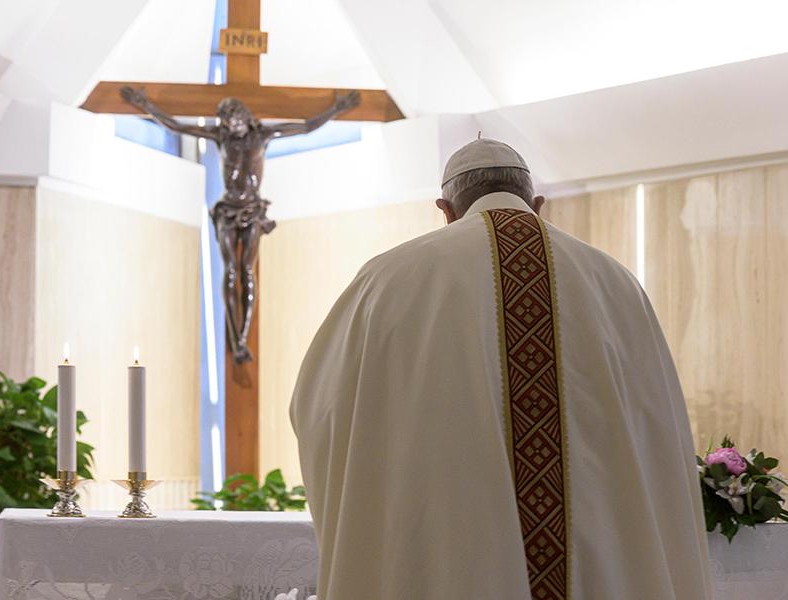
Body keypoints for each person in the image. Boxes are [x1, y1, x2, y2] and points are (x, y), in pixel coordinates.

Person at [290, 138, 712, 599]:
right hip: (598, 563)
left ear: (445, 210)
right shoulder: (613, 282)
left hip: (448, 550)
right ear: (537, 203)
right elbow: (657, 425)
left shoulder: (389, 279)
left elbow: (320, 410)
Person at [120, 87, 360, 362]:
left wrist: (337, 109)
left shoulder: (263, 136)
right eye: (226, 122)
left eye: (234, 120)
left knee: (247, 269)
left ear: (244, 117)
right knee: (231, 270)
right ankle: (236, 340)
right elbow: (177, 126)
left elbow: (306, 127)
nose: (230, 126)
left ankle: (242, 337)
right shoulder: (221, 137)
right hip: (227, 210)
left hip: (253, 210)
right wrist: (146, 105)